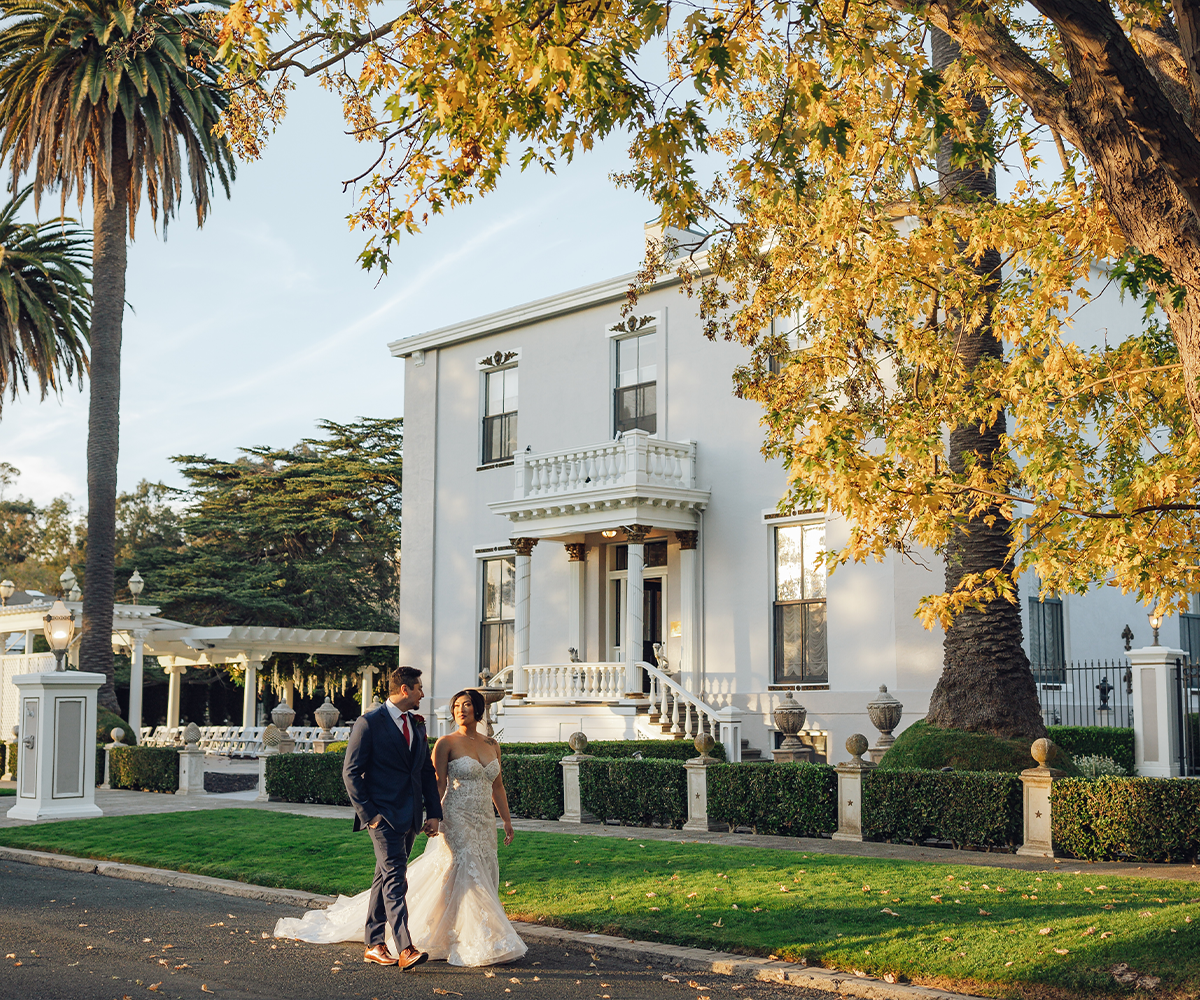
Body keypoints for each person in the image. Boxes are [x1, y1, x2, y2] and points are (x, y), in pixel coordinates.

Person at [273, 686, 527, 968]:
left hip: (483, 820)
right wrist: (433, 814)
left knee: (475, 868)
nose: (460, 710)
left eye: (466, 705)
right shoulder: (446, 743)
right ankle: (461, 939)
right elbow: (435, 782)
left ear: (478, 710)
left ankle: (444, 930)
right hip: (456, 817)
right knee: (461, 867)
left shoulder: (492, 745)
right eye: (456, 705)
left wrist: (506, 820)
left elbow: (498, 785)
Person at [345, 665, 442, 970]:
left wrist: (434, 813)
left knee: (385, 878)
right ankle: (406, 947)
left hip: (411, 816)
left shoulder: (417, 724)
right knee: (397, 879)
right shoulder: (368, 724)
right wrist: (370, 815)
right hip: (383, 817)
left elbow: (425, 772)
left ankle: (374, 943)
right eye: (418, 689)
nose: (422, 694)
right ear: (404, 690)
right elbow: (351, 773)